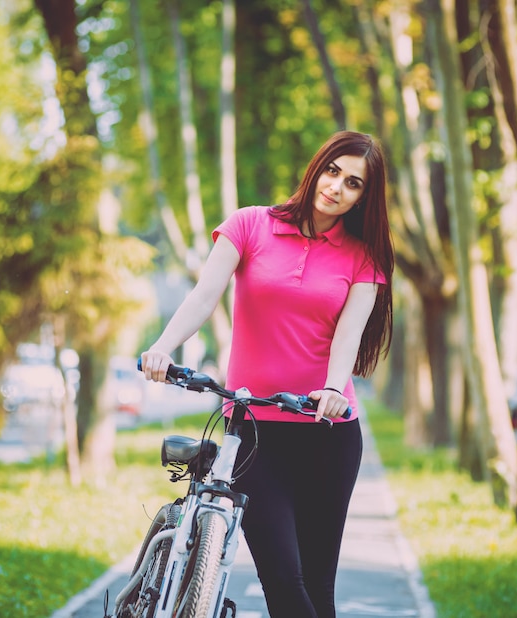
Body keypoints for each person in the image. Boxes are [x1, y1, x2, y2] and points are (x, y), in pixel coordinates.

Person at [140, 130, 394, 618]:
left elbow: (348, 337)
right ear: (317, 167)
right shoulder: (250, 224)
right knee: (281, 578)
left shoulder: (364, 257)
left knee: (318, 588)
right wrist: (162, 348)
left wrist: (333, 389)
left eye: (354, 183)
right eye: (333, 171)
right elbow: (204, 295)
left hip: (329, 433)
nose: (337, 187)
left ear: (365, 197)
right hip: (255, 431)